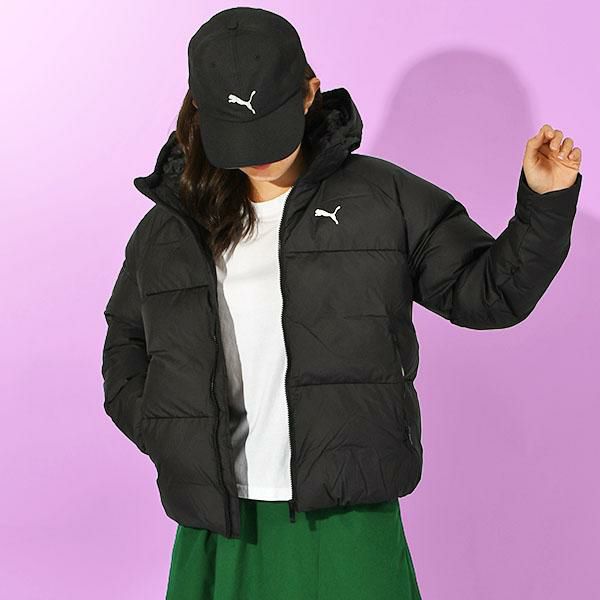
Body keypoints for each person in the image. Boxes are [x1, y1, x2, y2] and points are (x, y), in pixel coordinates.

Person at [100, 7, 583, 600]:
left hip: (347, 516)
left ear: (309, 93)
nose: (257, 153)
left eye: (269, 127)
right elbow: (126, 342)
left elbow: (490, 293)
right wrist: (169, 433)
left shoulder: (384, 198)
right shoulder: (174, 226)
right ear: (200, 111)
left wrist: (545, 203)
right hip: (219, 521)